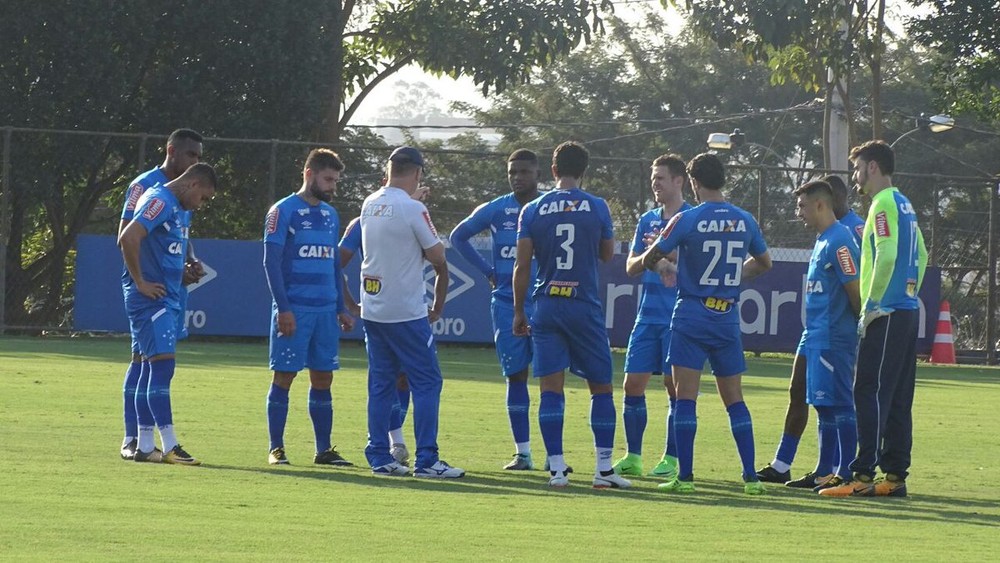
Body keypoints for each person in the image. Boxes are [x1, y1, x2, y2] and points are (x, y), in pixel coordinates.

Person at [638, 152, 772, 495]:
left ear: (693, 183)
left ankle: (685, 477)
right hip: (726, 316)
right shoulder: (745, 219)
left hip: (692, 314)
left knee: (686, 397)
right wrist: (732, 280)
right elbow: (764, 262)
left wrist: (662, 265)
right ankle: (750, 478)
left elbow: (655, 254)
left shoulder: (688, 218)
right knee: (735, 399)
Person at [512, 141, 630, 489]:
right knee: (601, 388)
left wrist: (519, 311)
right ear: (584, 171)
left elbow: (522, 265)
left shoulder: (533, 209)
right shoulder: (597, 206)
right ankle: (603, 470)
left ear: (552, 170)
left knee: (551, 387)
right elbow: (607, 254)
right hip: (583, 303)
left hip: (546, 303)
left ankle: (558, 469)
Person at [821, 140, 927, 498]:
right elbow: (923, 254)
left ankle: (863, 474)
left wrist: (874, 303)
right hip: (906, 311)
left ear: (873, 167)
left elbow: (886, 254)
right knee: (896, 395)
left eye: (858, 167)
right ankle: (894, 476)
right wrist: (909, 293)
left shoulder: (882, 205)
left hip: (886, 312)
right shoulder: (905, 204)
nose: (855, 176)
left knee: (867, 389)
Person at [360, 146, 464, 478]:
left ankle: (379, 455)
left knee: (381, 384)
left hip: (373, 308)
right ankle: (427, 460)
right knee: (427, 382)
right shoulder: (413, 208)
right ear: (418, 173)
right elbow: (437, 256)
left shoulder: (370, 203)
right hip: (405, 310)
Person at [757, 174, 865, 484]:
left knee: (839, 402)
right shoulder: (823, 238)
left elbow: (854, 290)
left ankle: (844, 472)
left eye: (802, 206)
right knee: (820, 402)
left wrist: (859, 330)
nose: (798, 212)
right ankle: (822, 472)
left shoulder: (841, 240)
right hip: (817, 334)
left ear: (820, 205)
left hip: (834, 335)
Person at [118, 162, 218, 465]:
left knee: (152, 370)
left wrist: (187, 268)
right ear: (192, 185)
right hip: (151, 300)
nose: (201, 206)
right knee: (162, 369)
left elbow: (167, 247)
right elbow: (128, 237)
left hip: (167, 297)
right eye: (204, 198)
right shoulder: (160, 200)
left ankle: (146, 446)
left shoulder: (174, 206)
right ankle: (171, 444)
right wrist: (140, 282)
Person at [450, 149, 542, 470]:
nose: (517, 177)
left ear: (537, 173)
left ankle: (555, 456)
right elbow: (458, 236)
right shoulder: (496, 209)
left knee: (550, 379)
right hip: (506, 303)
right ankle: (524, 453)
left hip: (544, 303)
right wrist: (487, 271)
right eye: (512, 171)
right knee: (515, 376)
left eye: (524, 172)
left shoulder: (547, 208)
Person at [262, 148, 355, 467]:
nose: (332, 186)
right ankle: (276, 448)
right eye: (328, 179)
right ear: (309, 174)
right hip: (295, 312)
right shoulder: (282, 211)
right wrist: (283, 308)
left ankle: (323, 450)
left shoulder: (330, 216)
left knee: (323, 379)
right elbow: (271, 262)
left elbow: (334, 265)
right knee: (284, 376)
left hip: (326, 313)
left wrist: (341, 307)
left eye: (335, 180)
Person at [612, 154, 691, 479]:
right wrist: (652, 254)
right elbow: (630, 266)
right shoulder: (647, 220)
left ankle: (671, 458)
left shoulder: (693, 219)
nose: (654, 184)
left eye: (660, 178)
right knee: (632, 385)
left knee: (675, 388)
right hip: (647, 318)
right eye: (653, 179)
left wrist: (671, 254)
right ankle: (633, 456)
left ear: (678, 181)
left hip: (678, 317)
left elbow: (702, 270)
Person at [337, 185, 429, 466]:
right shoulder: (363, 221)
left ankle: (394, 443)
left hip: (399, 310)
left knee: (401, 379)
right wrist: (349, 305)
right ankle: (397, 443)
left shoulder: (411, 214)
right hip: (391, 314)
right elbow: (336, 262)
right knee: (396, 379)